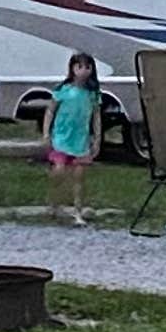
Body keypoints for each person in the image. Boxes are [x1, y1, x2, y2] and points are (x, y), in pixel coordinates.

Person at [41, 50, 103, 223]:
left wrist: (97, 138)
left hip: (80, 140)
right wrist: (46, 133)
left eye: (87, 67)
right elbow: (50, 111)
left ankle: (78, 211)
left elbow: (96, 117)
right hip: (61, 137)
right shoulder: (63, 90)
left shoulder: (92, 94)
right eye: (80, 66)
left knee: (79, 176)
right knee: (59, 170)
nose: (83, 71)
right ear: (72, 69)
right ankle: (53, 203)